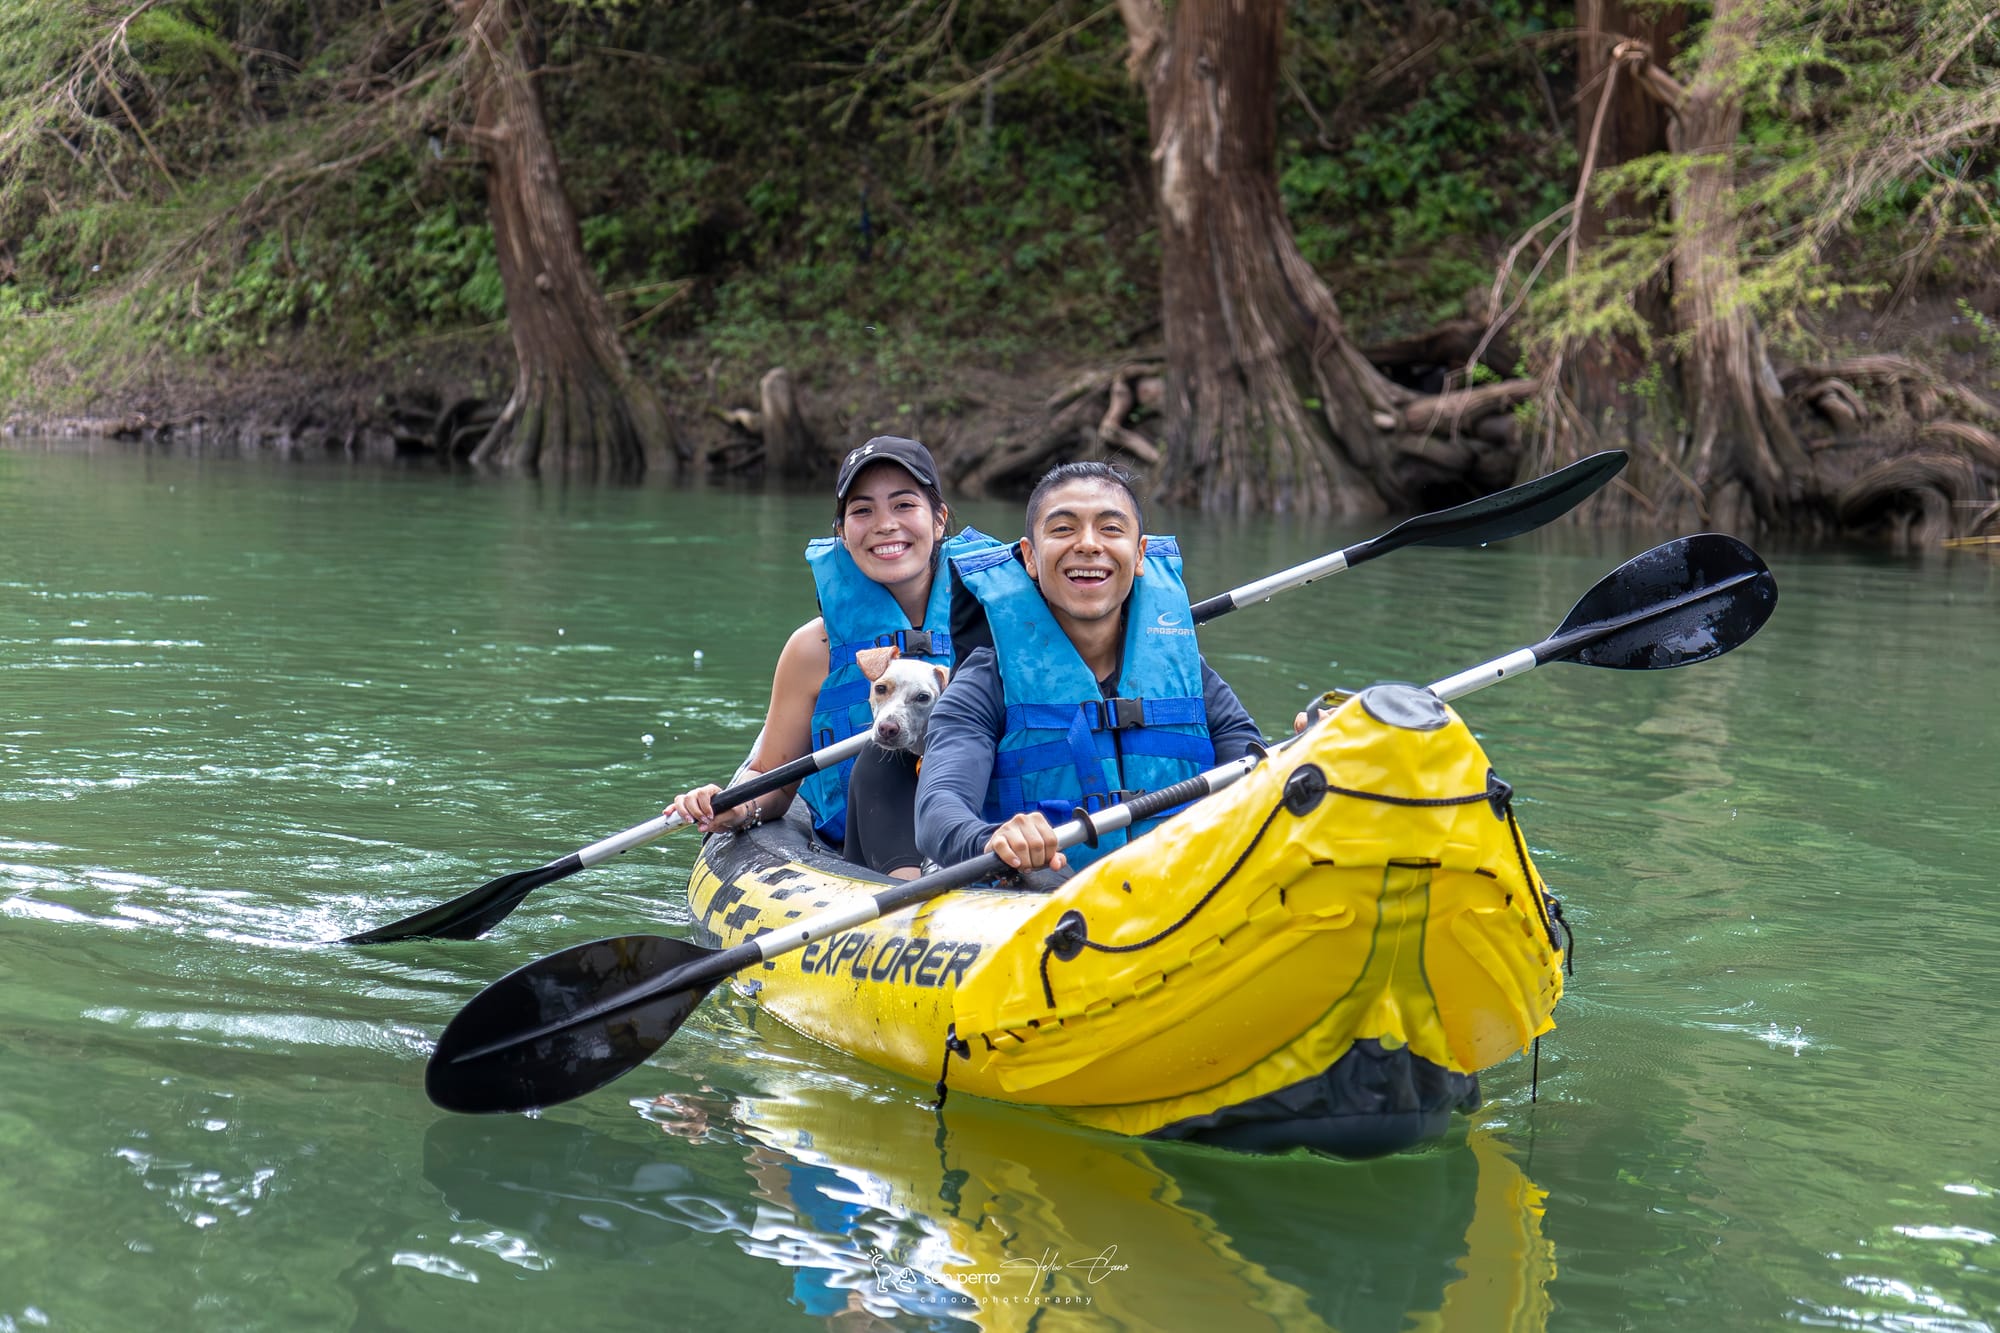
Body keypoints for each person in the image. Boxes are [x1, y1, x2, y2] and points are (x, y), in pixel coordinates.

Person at [667, 436, 995, 878]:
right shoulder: (811, 650)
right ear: (841, 531)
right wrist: (733, 807)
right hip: (861, 855)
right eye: (862, 511)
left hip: (977, 839)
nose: (884, 525)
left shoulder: (996, 629)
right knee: (880, 755)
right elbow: (772, 779)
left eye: (903, 505)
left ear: (939, 520)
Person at [915, 461, 1264, 876]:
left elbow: (1256, 770)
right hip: (1043, 904)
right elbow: (939, 806)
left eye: (1111, 529)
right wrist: (991, 838)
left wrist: (1314, 747)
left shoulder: (1189, 674)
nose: (1088, 545)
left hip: (1178, 891)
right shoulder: (985, 683)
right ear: (1029, 557)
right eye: (1063, 529)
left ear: (1139, 556)